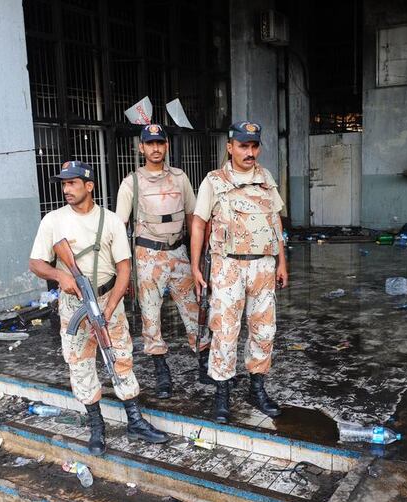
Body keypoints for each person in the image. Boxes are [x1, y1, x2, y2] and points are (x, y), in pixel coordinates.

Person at [29, 160, 168, 455]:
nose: (66, 189)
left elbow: (124, 268)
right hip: (72, 305)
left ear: (89, 186)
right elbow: (36, 263)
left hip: (108, 300)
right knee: (80, 364)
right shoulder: (53, 221)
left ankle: (134, 420)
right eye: (64, 184)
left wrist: (111, 306)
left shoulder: (111, 220)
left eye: (72, 183)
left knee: (119, 357)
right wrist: (60, 275)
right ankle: (97, 426)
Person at [190, 121, 288, 424]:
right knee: (224, 331)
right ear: (230, 147)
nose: (250, 152)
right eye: (243, 146)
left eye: (254, 146)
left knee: (264, 331)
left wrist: (282, 261)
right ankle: (222, 394)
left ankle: (256, 389)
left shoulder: (266, 178)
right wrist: (195, 266)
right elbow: (198, 223)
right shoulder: (213, 181)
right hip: (228, 266)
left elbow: (275, 221)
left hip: (263, 265)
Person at [116, 124, 211, 399]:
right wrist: (124, 268)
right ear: (141, 148)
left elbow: (194, 217)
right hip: (148, 256)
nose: (155, 148)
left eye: (160, 143)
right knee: (150, 314)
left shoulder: (180, 178)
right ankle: (161, 370)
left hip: (179, 253)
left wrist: (199, 255)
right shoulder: (131, 182)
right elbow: (119, 225)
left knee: (195, 308)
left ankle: (204, 364)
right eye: (150, 143)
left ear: (166, 146)